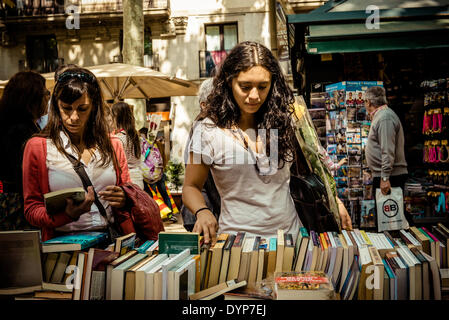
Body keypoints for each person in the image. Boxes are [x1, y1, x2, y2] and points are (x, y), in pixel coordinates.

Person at [183, 41, 303, 244]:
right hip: (238, 245)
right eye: (245, 87)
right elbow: (190, 187)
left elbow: (306, 171)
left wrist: (333, 200)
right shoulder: (208, 130)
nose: (254, 96)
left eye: (263, 87)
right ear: (229, 82)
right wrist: (202, 211)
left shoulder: (283, 122)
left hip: (291, 240)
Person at [22, 67, 132, 241]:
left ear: (94, 108)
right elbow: (31, 209)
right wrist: (66, 214)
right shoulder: (37, 147)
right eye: (66, 108)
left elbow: (129, 192)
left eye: (82, 109)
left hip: (113, 242)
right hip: (63, 247)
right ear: (56, 107)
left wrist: (125, 198)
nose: (73, 117)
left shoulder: (113, 144)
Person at [0, 71, 49, 231]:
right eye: (45, 93)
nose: (48, 98)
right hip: (20, 209)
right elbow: (25, 176)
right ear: (31, 100)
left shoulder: (20, 127)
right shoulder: (18, 131)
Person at [364, 86, 412, 224]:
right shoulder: (382, 116)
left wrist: (385, 177)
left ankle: (396, 243)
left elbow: (387, 150)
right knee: (387, 219)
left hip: (390, 176)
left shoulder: (385, 117)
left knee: (390, 220)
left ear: (368, 102)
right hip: (385, 175)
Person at [180, 78, 221, 231]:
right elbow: (193, 181)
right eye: (217, 100)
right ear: (203, 105)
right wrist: (203, 211)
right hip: (203, 211)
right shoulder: (202, 130)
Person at [111, 102, 144, 189]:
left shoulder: (118, 139)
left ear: (116, 117)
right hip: (139, 179)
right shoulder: (135, 136)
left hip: (127, 181)